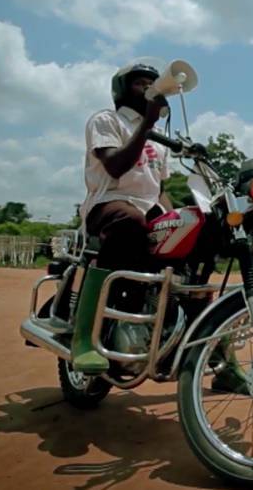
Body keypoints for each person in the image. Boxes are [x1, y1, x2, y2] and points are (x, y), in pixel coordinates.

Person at [69, 61, 173, 374]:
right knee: (130, 223)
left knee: (195, 232)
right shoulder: (106, 120)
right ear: (122, 89)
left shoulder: (157, 138)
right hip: (110, 203)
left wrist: (176, 217)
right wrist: (147, 124)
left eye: (154, 84)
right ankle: (84, 336)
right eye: (142, 83)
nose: (150, 89)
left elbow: (160, 189)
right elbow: (115, 166)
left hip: (148, 207)